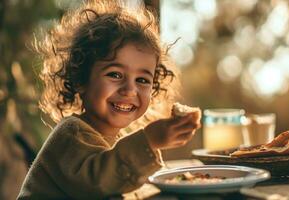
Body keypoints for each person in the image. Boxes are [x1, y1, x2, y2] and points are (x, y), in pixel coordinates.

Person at [17, 0, 201, 199]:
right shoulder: (70, 134)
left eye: (142, 79)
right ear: (81, 80)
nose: (130, 90)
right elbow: (97, 182)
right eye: (115, 74)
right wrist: (149, 141)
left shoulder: (113, 142)